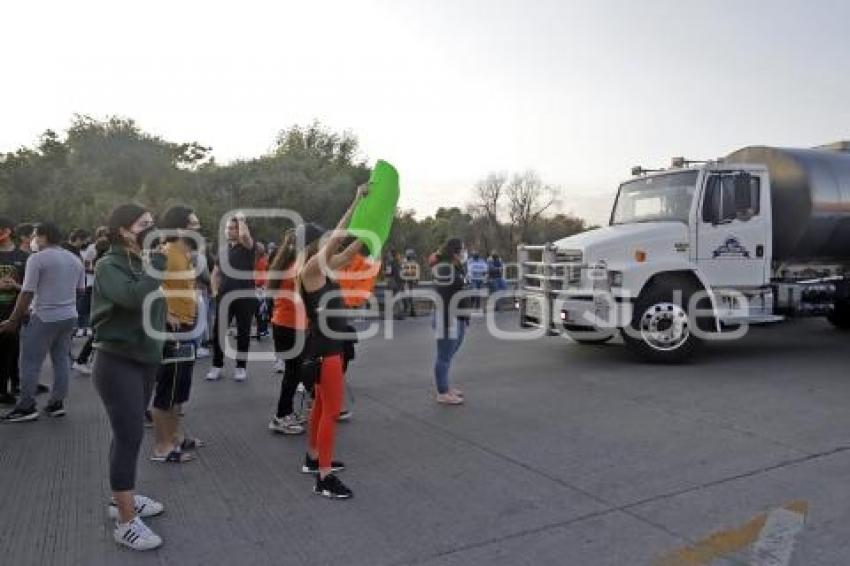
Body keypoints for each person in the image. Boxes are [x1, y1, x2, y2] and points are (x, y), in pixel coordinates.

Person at [90, 204, 168, 551]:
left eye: (153, 224)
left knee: (127, 434)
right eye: (144, 225)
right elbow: (135, 298)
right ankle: (125, 522)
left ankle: (121, 498)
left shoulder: (142, 262)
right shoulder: (109, 264)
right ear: (124, 230)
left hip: (145, 358)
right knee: (131, 436)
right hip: (117, 359)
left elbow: (154, 304)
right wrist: (157, 264)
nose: (152, 230)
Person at [297, 184, 368, 499]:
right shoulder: (311, 270)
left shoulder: (326, 270)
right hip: (325, 349)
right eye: (325, 242)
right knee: (330, 411)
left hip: (331, 346)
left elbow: (351, 249)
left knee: (322, 406)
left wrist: (376, 223)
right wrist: (355, 202)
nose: (331, 245)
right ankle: (324, 477)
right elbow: (340, 239)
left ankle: (314, 458)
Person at [0, 222, 85, 422]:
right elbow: (80, 291)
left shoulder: (37, 259)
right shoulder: (74, 259)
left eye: (36, 236)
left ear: (44, 237)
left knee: (30, 362)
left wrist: (13, 319)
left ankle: (27, 407)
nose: (34, 239)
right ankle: (56, 403)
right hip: (69, 315)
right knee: (61, 360)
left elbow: (26, 292)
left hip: (44, 316)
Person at [150, 205, 204, 463]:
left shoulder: (184, 253)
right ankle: (163, 447)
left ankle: (176, 437)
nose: (198, 228)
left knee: (180, 389)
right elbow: (150, 288)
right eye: (193, 224)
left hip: (187, 328)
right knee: (166, 390)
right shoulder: (168, 253)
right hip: (172, 330)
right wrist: (165, 314)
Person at [266, 229, 308, 435]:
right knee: (294, 373)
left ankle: (286, 412)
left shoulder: (282, 264)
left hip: (281, 322)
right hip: (292, 325)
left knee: (293, 372)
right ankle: (281, 416)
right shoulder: (297, 269)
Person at [206, 214, 256, 382]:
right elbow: (215, 273)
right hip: (225, 296)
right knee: (219, 331)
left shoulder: (248, 247)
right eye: (227, 228)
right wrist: (214, 291)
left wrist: (241, 219)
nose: (229, 231)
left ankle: (240, 367)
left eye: (232, 228)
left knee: (243, 332)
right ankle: (217, 365)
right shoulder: (223, 250)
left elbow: (244, 236)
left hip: (245, 296)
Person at [430, 238, 471, 405]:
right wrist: (447, 323)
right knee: (444, 357)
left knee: (448, 355)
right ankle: (443, 392)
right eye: (463, 249)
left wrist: (465, 317)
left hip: (458, 317)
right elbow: (443, 298)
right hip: (447, 318)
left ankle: (446, 386)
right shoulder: (445, 270)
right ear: (455, 252)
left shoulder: (456, 267)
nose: (465, 252)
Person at [0, 217, 28, 405]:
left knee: (12, 348)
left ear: (7, 231)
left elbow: (29, 287)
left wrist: (15, 285)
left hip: (14, 310)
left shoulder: (23, 257)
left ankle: (14, 384)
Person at [73, 235, 111, 375]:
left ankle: (87, 361)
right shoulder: (104, 262)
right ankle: (82, 361)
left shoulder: (101, 261)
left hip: (96, 294)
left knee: (99, 332)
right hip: (98, 296)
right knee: (98, 332)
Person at [401, 249, 419, 317]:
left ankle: (410, 310)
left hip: (408, 282)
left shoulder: (405, 263)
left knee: (409, 297)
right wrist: (416, 280)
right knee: (409, 297)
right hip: (408, 282)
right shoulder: (411, 263)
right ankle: (411, 311)